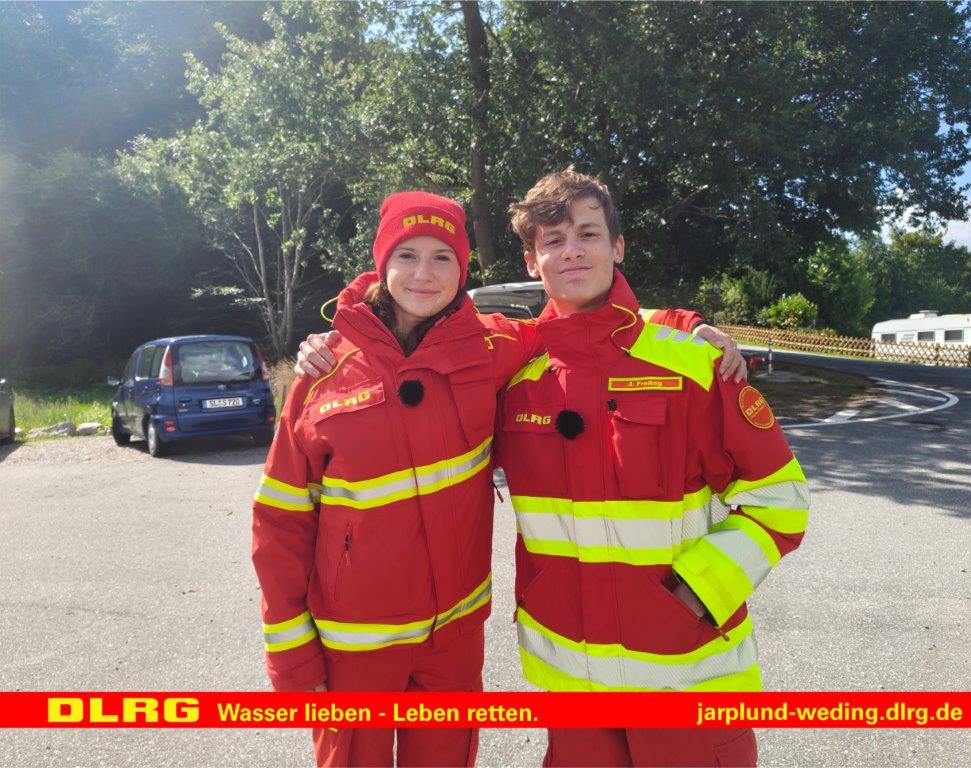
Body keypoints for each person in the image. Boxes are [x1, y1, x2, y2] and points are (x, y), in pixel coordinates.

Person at [254, 190, 714, 768]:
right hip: (354, 646)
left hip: (452, 642)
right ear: (382, 263)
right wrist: (292, 659)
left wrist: (683, 323)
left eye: (442, 257)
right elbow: (280, 523)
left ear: (462, 269)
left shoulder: (493, 346)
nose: (424, 274)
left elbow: (585, 325)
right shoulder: (323, 373)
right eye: (407, 255)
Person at [494, 169, 809, 766]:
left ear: (617, 247)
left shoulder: (693, 365)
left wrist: (698, 592)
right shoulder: (513, 375)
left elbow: (781, 501)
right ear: (532, 261)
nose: (572, 250)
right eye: (553, 240)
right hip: (573, 690)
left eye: (588, 233)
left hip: (688, 681)